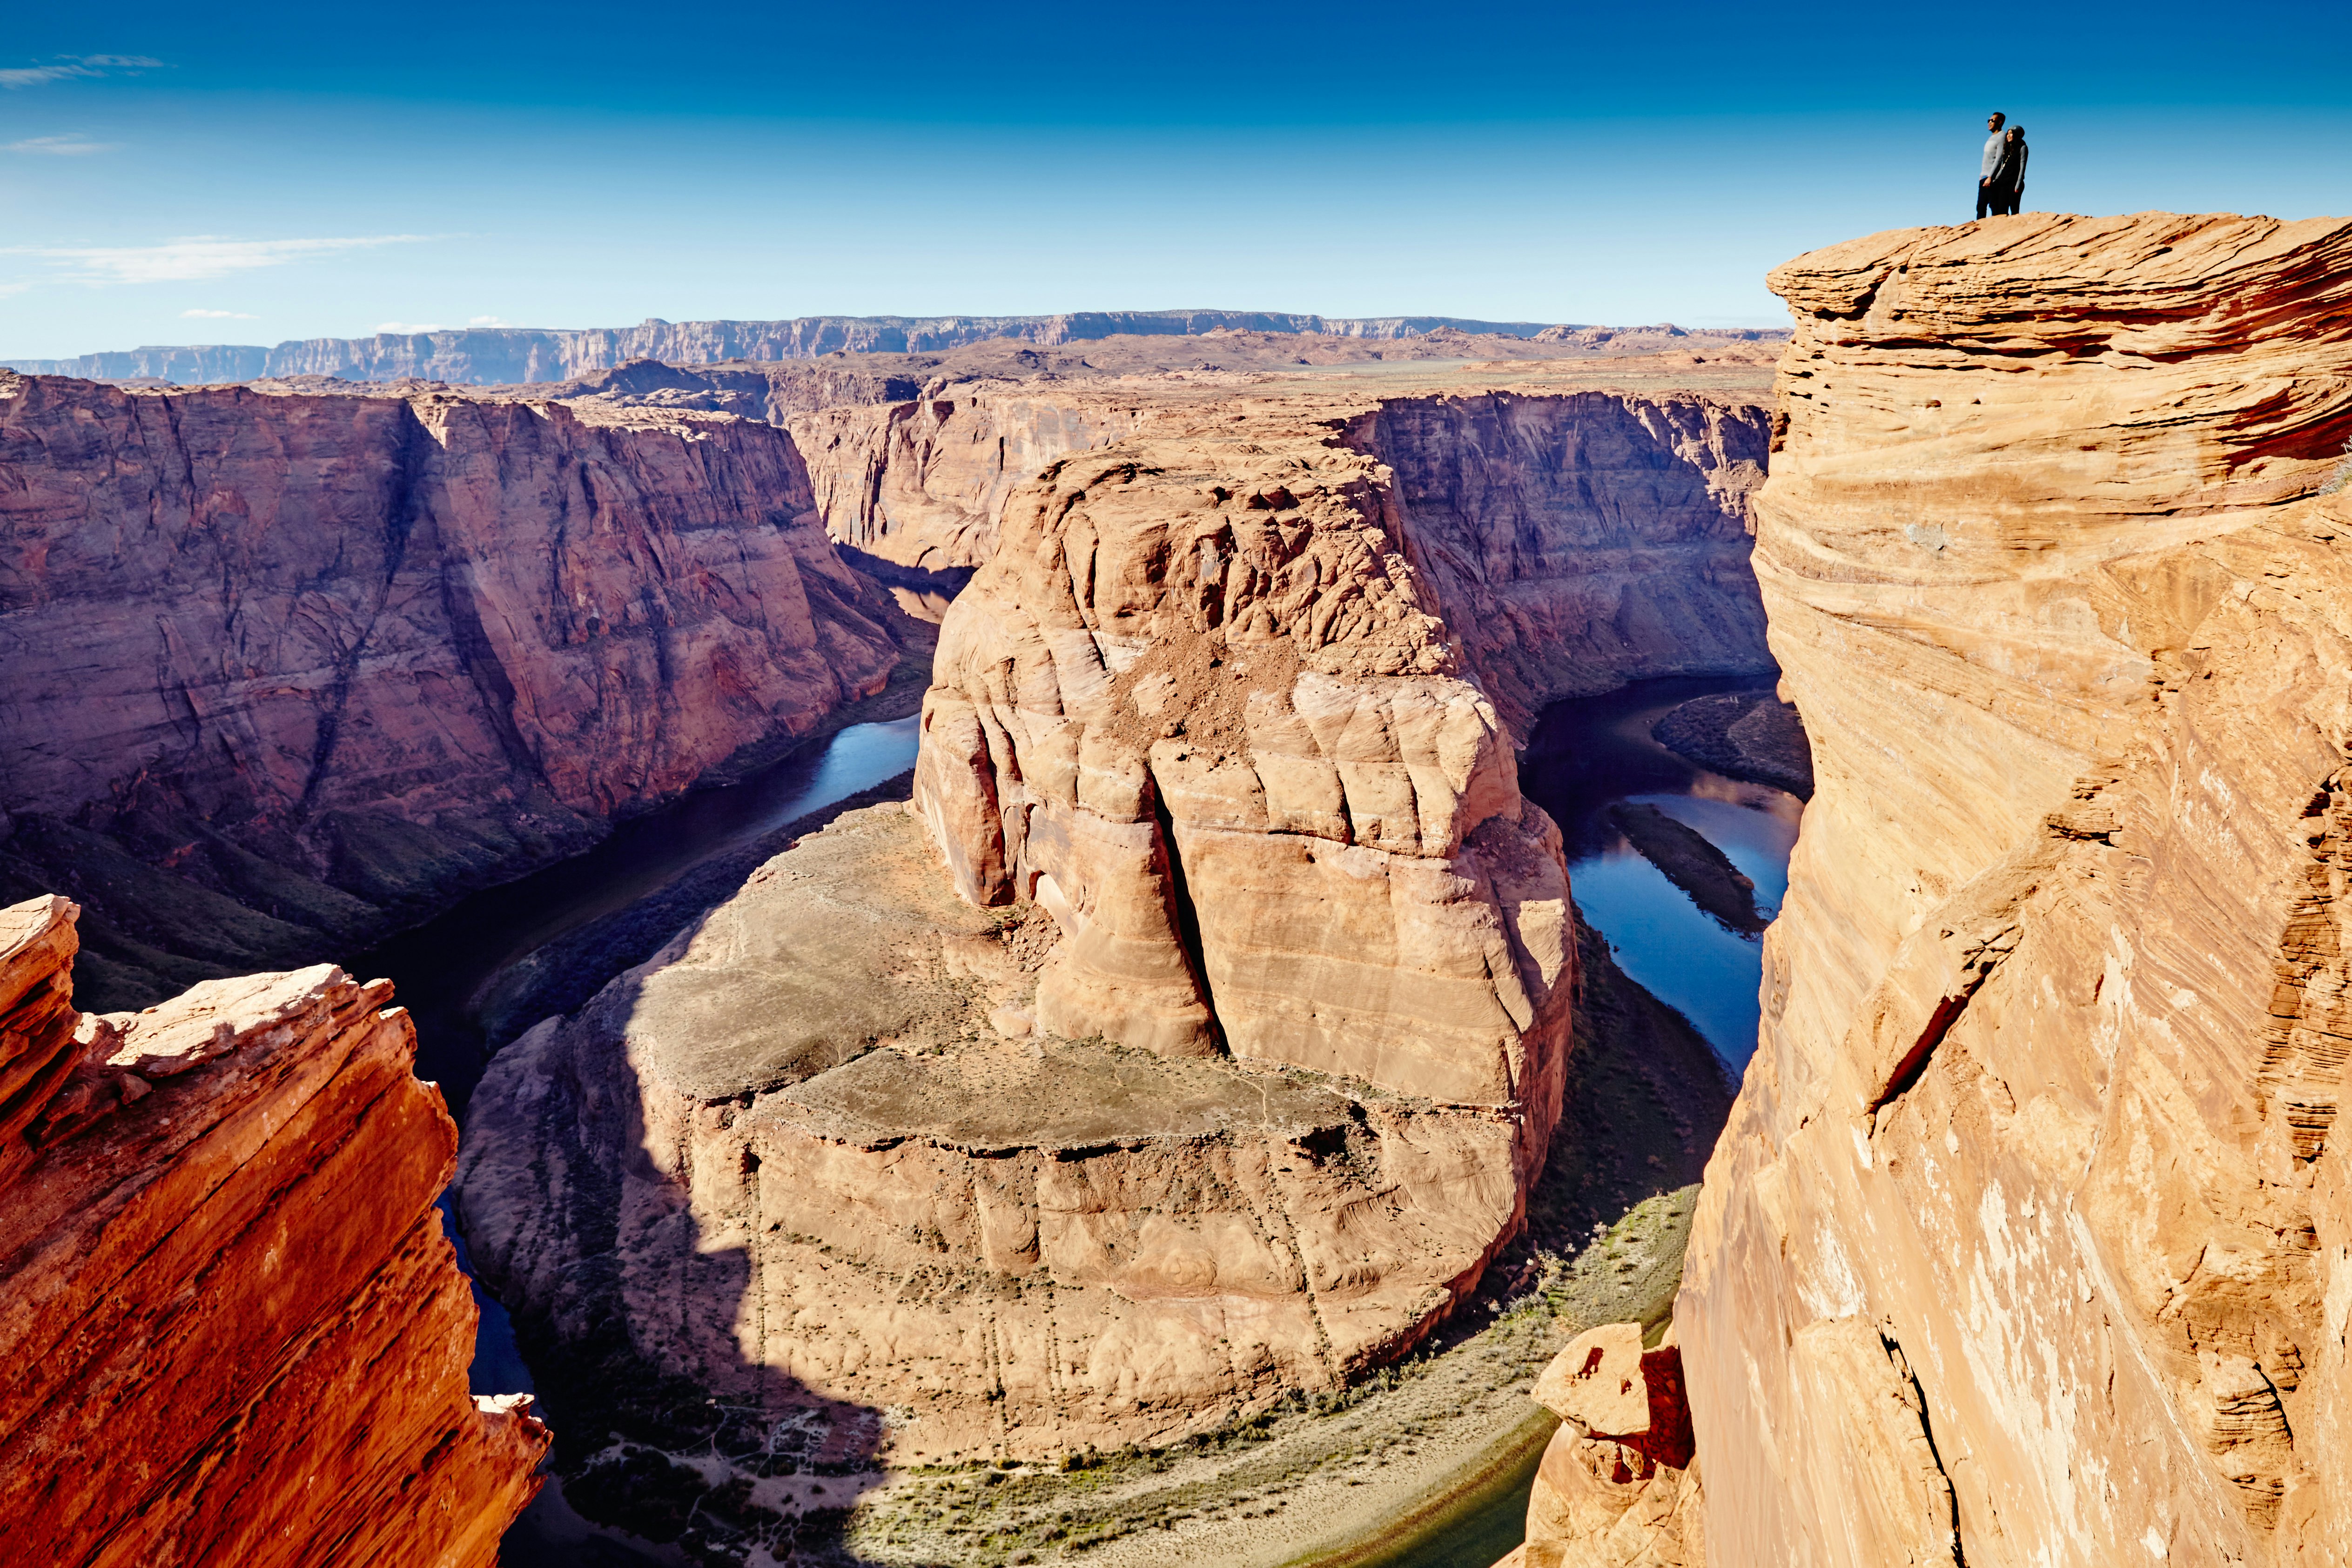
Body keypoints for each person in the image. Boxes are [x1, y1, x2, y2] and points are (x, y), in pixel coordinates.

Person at [1990, 125, 2029, 214]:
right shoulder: (2008, 149)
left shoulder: (2022, 148)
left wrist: (2019, 183)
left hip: (2014, 183)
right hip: (2003, 183)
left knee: (2014, 210)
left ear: (2017, 135)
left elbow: (2023, 167)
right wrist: (1996, 180)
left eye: (2011, 133)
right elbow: (2003, 167)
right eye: (2008, 134)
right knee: (2001, 211)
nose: (2008, 135)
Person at [1976, 112, 2007, 219]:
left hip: (1992, 178)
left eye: (1992, 121)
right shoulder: (1991, 138)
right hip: (1984, 177)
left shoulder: (2002, 136)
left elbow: (1999, 159)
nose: (1989, 123)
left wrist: (1990, 177)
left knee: (1994, 207)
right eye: (1988, 121)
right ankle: (1980, 233)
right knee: (1980, 207)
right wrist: (1983, 176)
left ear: (2000, 122)